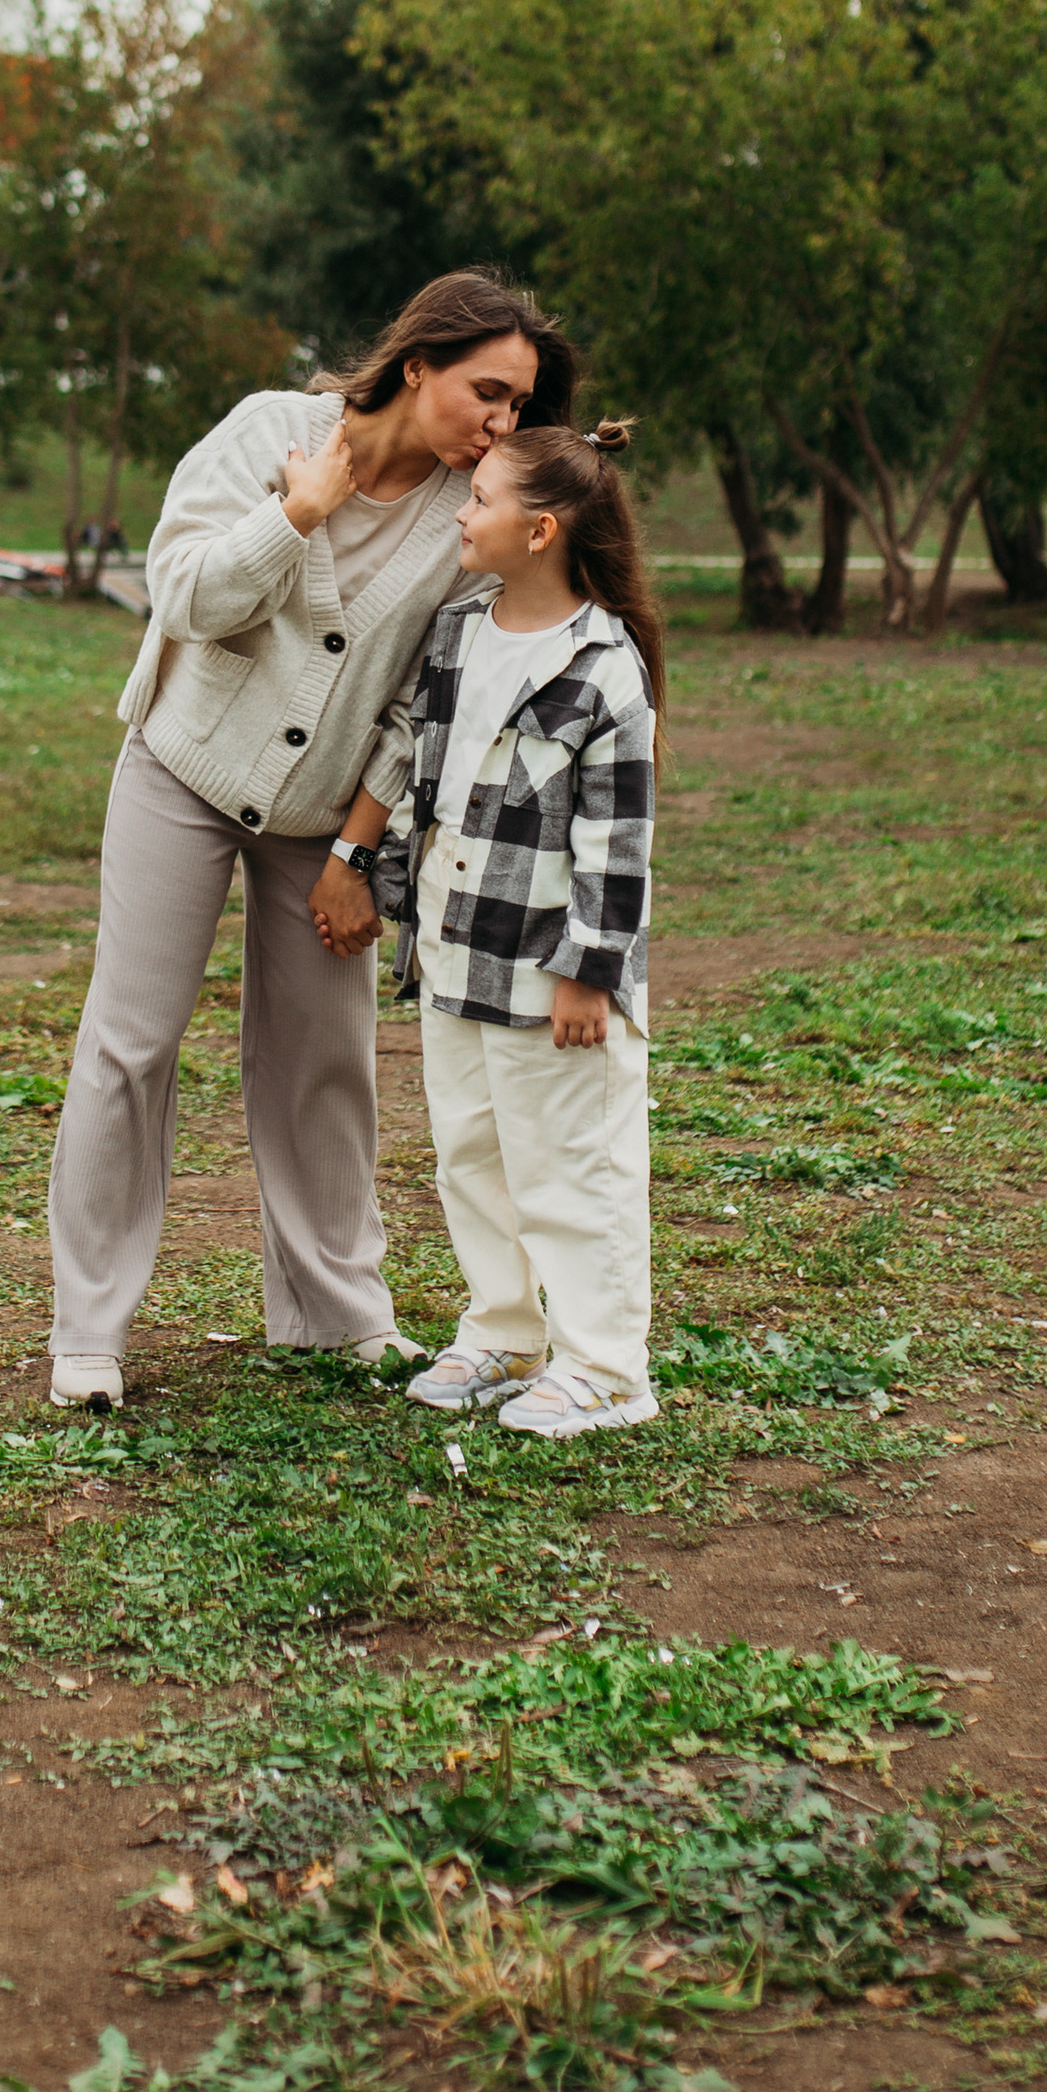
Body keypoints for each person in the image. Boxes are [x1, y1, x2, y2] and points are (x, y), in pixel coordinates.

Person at [44, 271, 581, 1409]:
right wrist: (294, 514)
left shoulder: (464, 516)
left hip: (321, 818)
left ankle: (334, 1320)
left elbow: (419, 700)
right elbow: (183, 595)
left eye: (517, 408)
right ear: (419, 361)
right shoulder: (268, 433)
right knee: (130, 1046)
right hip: (181, 772)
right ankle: (87, 1332)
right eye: (487, 392)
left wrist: (353, 855)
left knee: (323, 1064)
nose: (499, 425)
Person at [377, 423, 663, 1436]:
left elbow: (617, 838)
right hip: (458, 948)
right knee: (473, 1154)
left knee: (569, 1166)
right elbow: (424, 776)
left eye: (481, 498)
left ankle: (607, 1367)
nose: (461, 510)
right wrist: (386, 896)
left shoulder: (600, 667)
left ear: (538, 530)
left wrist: (590, 970)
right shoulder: (457, 631)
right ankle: (504, 1332)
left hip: (553, 973)